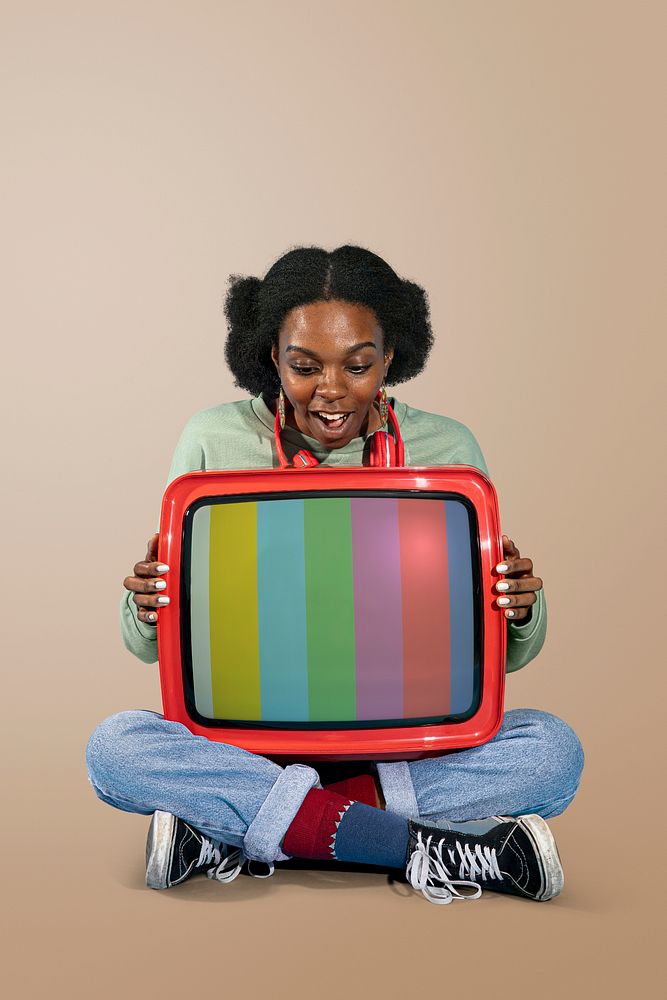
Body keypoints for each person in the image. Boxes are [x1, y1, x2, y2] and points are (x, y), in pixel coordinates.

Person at [86, 244, 584, 906]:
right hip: (249, 749)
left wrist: (518, 607)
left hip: (402, 752)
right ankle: (421, 846)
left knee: (551, 753)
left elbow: (502, 660)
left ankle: (233, 833)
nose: (331, 389)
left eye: (358, 365)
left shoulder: (449, 449)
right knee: (115, 748)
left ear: (389, 357)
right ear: (270, 356)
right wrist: (150, 603)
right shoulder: (211, 440)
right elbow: (149, 646)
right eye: (303, 365)